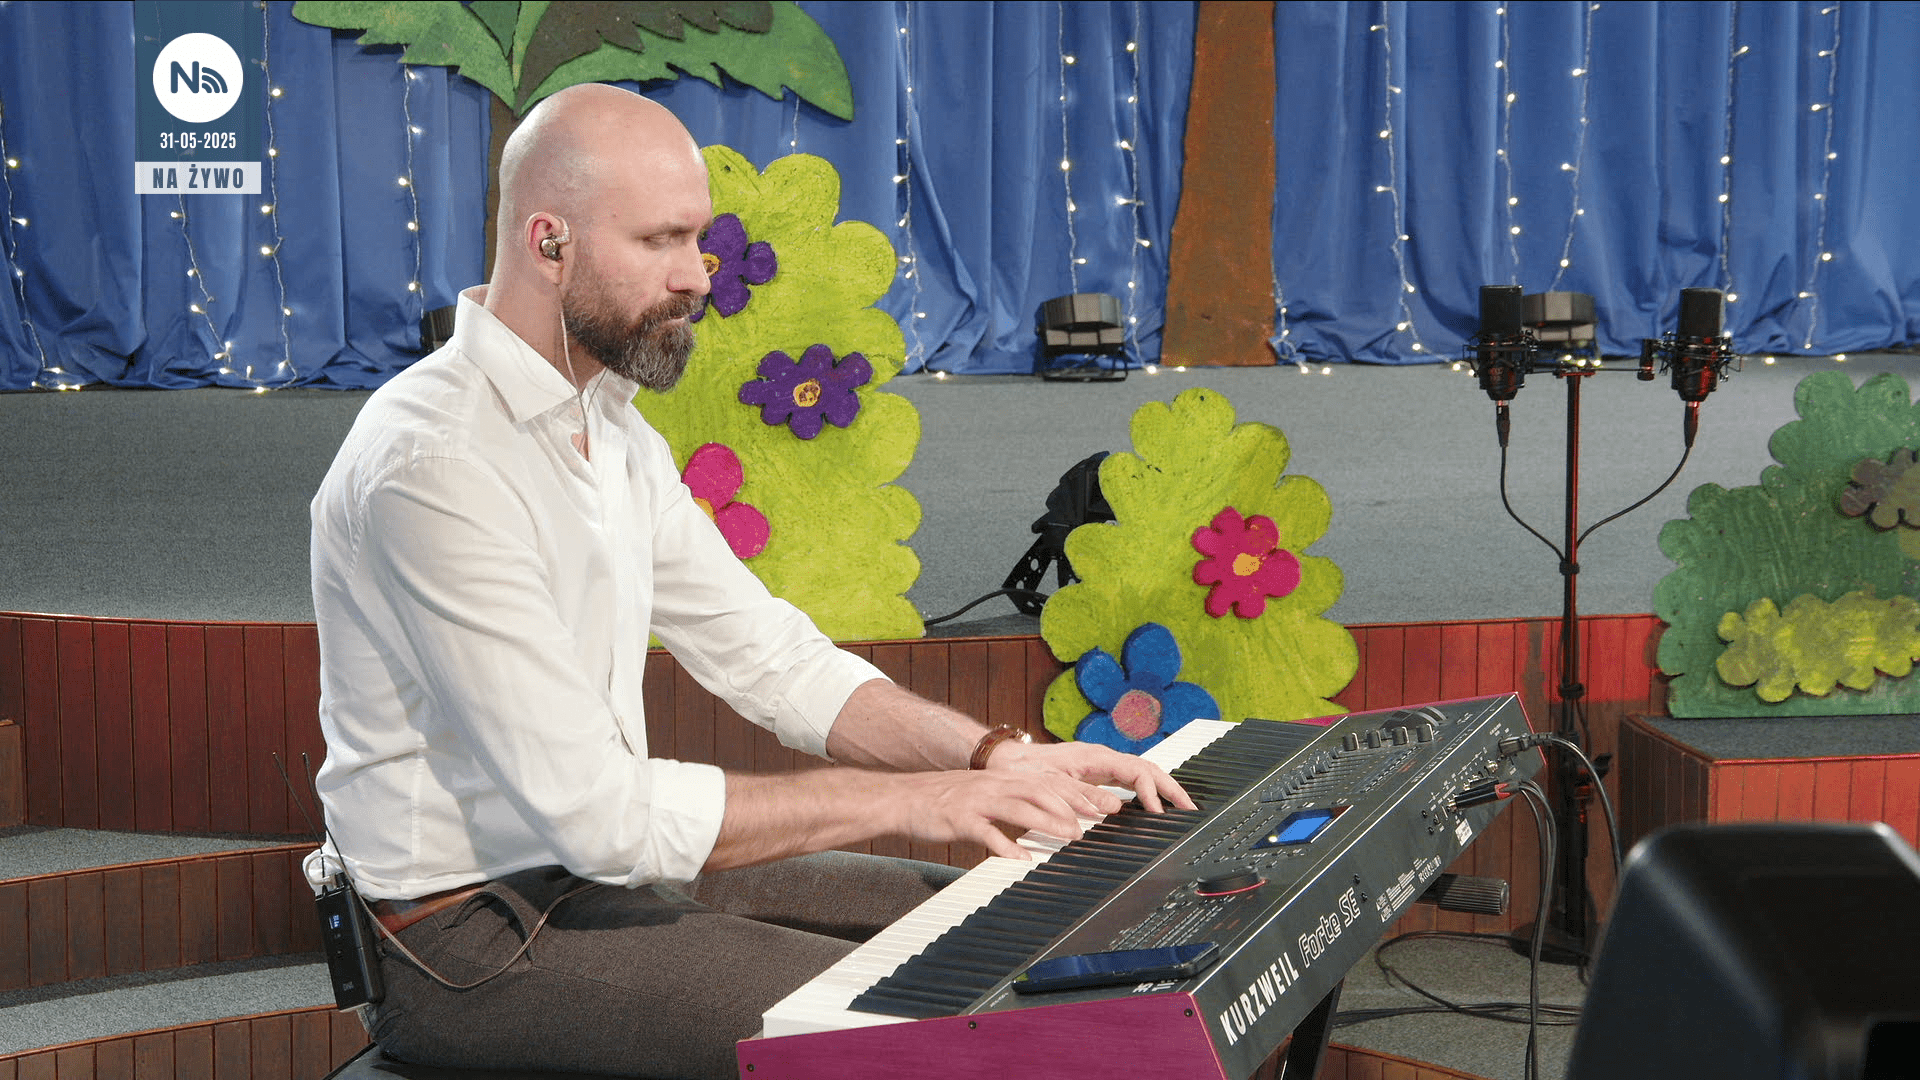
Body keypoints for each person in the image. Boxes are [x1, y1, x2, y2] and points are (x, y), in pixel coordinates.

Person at [305, 83, 1191, 1079]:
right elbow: (599, 816)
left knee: (1015, 927)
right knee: (945, 1035)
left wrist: (990, 758)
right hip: (462, 939)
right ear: (549, 243)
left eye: (698, 239)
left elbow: (772, 657)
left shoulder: (609, 424)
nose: (697, 277)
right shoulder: (433, 464)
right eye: (662, 241)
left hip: (595, 875)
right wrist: (919, 799)